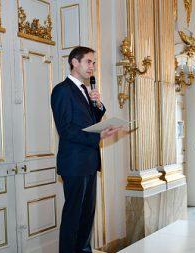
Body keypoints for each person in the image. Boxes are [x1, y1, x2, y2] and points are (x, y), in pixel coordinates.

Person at [51, 46, 120, 253]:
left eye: (94, 63)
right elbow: (66, 130)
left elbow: (89, 121)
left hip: (89, 162)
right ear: (75, 62)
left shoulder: (84, 90)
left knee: (87, 215)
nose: (92, 67)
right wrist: (97, 136)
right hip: (73, 163)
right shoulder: (62, 90)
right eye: (89, 62)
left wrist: (97, 105)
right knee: (74, 216)